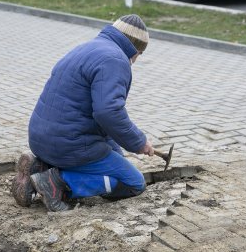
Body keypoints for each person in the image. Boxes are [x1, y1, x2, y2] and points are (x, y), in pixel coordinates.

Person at [12, 14, 154, 212]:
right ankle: (55, 183)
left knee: (115, 160)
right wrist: (139, 142)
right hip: (69, 145)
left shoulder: (88, 47)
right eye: (140, 55)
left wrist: (120, 154)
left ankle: (39, 167)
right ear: (135, 50)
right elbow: (108, 113)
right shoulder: (116, 60)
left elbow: (100, 118)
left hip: (41, 139)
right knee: (133, 182)